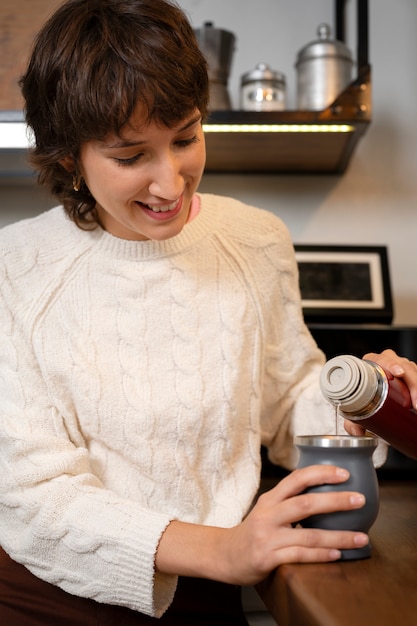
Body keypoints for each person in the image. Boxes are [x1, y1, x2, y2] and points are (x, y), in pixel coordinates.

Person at [0, 1, 416, 624]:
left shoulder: (256, 240)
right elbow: (31, 493)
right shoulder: (18, 264)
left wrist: (361, 403)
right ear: (69, 159)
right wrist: (223, 548)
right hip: (46, 597)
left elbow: (287, 400)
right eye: (130, 156)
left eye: (186, 138)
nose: (170, 182)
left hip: (210, 590)